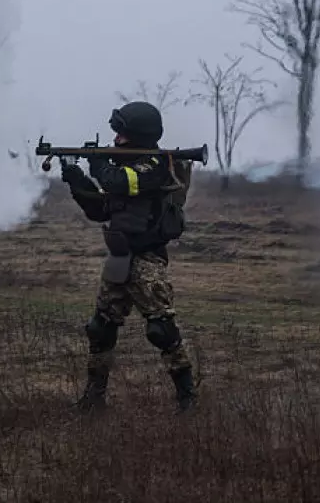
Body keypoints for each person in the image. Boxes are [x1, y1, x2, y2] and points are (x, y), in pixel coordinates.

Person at [60, 100, 197, 413]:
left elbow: (117, 182)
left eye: (122, 134)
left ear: (139, 135)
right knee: (100, 328)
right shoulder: (128, 165)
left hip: (147, 260)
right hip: (119, 259)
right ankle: (94, 398)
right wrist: (76, 179)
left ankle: (188, 398)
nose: (116, 139)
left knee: (162, 330)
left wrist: (96, 162)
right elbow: (99, 209)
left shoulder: (155, 165)